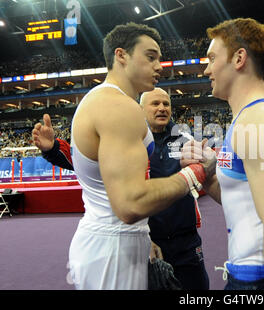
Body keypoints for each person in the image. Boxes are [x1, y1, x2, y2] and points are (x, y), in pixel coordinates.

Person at [31, 22, 215, 290]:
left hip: (117, 241)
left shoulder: (105, 101)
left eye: (159, 59)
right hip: (113, 247)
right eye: (150, 57)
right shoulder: (119, 107)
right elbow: (130, 204)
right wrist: (195, 174)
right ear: (121, 55)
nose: (159, 66)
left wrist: (143, 236)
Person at [182, 18, 264, 290]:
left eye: (212, 58)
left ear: (239, 58)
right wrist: (208, 177)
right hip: (247, 274)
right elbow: (241, 200)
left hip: (260, 279)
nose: (206, 69)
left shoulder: (260, 121)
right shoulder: (246, 120)